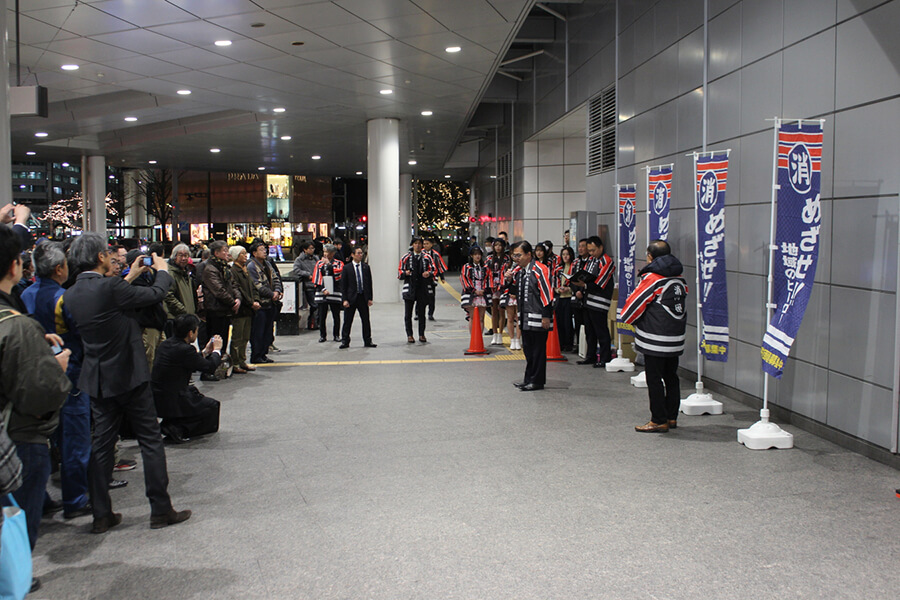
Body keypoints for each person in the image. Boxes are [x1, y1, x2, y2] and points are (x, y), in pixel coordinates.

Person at [64, 232, 191, 533]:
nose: (112, 257)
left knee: (102, 445)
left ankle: (101, 514)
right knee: (150, 441)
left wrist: (129, 276)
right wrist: (161, 269)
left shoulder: (71, 293)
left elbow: (110, 304)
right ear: (99, 258)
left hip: (98, 378)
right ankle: (160, 509)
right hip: (130, 375)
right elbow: (154, 294)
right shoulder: (111, 286)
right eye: (108, 253)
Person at [0, 226, 71, 593]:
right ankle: (14, 579)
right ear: (15, 266)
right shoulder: (18, 327)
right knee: (16, 518)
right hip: (18, 438)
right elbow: (44, 393)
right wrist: (55, 367)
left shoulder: (20, 314)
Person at [19, 242, 92, 520]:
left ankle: (40, 496)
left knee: (37, 441)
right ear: (60, 268)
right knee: (74, 439)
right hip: (70, 374)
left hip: (33, 377)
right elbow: (81, 334)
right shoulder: (64, 298)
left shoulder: (24, 295)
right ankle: (75, 499)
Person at [620, 240, 688, 433]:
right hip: (675, 337)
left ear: (650, 256)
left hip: (654, 338)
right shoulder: (679, 278)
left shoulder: (652, 278)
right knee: (671, 377)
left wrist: (626, 319)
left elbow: (635, 303)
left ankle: (658, 419)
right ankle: (671, 417)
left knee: (654, 378)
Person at [152, 315, 223, 443]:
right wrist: (217, 350)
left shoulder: (166, 344)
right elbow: (209, 367)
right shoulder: (185, 349)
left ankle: (173, 422)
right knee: (212, 406)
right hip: (174, 398)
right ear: (191, 333)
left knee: (194, 393)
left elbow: (190, 360)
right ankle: (180, 428)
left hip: (159, 396)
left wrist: (206, 352)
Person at [509, 241, 553, 391]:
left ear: (529, 254)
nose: (516, 258)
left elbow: (547, 293)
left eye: (519, 255)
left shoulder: (540, 269)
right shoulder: (520, 271)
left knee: (538, 350)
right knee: (528, 349)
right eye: (514, 255)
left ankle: (537, 381)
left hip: (539, 316)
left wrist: (546, 315)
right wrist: (508, 279)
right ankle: (528, 378)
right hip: (525, 317)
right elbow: (514, 292)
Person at [571, 236, 615, 368]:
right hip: (588, 300)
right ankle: (590, 356)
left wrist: (584, 285)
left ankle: (604, 357)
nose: (591, 253)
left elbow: (600, 282)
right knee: (589, 331)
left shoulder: (607, 261)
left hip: (599, 300)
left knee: (601, 330)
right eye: (589, 250)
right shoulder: (591, 260)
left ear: (601, 247)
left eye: (593, 250)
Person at [201, 241, 238, 371]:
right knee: (215, 340)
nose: (227, 253)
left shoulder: (225, 267)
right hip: (215, 310)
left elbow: (233, 285)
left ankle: (220, 366)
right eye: (224, 250)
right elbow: (218, 290)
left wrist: (238, 298)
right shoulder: (210, 269)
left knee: (223, 340)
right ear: (216, 253)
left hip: (225, 309)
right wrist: (233, 302)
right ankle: (211, 368)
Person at [248, 240, 283, 362]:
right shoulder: (252, 266)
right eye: (261, 250)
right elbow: (257, 285)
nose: (265, 252)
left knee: (268, 330)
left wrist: (277, 291)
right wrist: (271, 293)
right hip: (260, 304)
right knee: (258, 331)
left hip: (271, 303)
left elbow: (276, 278)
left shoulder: (267, 264)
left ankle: (263, 353)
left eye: (265, 250)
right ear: (254, 252)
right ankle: (256, 355)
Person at [398, 236, 436, 343]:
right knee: (408, 314)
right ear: (412, 245)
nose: (418, 245)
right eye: (415, 243)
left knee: (421, 313)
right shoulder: (406, 257)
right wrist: (405, 273)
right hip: (410, 287)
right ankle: (409, 335)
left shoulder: (427, 257)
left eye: (420, 243)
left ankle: (421, 334)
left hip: (422, 288)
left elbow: (434, 269)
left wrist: (429, 273)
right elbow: (399, 272)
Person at [229, 245, 260, 373]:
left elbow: (252, 287)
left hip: (249, 309)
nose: (245, 255)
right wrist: (251, 302)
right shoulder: (233, 271)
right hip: (241, 309)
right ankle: (235, 363)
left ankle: (242, 361)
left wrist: (256, 299)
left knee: (245, 337)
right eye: (242, 253)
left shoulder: (245, 269)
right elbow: (238, 289)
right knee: (237, 337)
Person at [339, 246, 376, 349]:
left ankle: (368, 340)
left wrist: (370, 298)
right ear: (352, 255)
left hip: (362, 297)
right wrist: (345, 299)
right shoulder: (347, 268)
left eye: (361, 253)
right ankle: (345, 341)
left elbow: (369, 283)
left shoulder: (365, 267)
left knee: (365, 320)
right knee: (347, 321)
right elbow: (343, 285)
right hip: (351, 298)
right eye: (358, 253)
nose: (360, 255)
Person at [164, 243, 198, 338]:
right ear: (174, 257)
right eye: (180, 255)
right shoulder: (170, 273)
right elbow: (168, 295)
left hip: (185, 318)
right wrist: (183, 310)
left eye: (186, 255)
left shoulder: (185, 273)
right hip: (174, 318)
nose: (183, 258)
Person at [312, 243, 343, 343]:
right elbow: (317, 278)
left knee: (336, 315)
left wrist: (329, 265)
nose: (325, 254)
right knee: (321, 316)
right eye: (324, 252)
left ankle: (336, 335)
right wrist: (323, 289)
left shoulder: (338, 263)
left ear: (333, 253)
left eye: (328, 252)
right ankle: (322, 335)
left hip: (335, 292)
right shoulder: (319, 263)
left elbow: (338, 275)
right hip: (322, 293)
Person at [460, 246, 491, 335]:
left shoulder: (485, 267)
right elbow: (464, 279)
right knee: (472, 317)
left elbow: (489, 279)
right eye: (475, 254)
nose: (477, 256)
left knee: (481, 318)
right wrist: (474, 290)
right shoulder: (467, 267)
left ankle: (479, 339)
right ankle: (473, 339)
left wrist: (484, 290)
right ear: (471, 256)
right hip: (471, 294)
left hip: (482, 293)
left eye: (479, 254)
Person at [486, 238, 510, 346]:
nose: (498, 247)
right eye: (496, 245)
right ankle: (494, 333)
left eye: (500, 245)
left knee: (501, 311)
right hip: (492, 287)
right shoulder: (489, 258)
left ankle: (500, 334)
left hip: (503, 286)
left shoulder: (507, 259)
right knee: (493, 311)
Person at [291, 241, 318, 330]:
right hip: (308, 284)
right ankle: (312, 322)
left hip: (317, 284)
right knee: (314, 304)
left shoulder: (315, 258)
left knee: (318, 304)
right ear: (305, 250)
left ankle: (315, 322)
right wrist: (307, 274)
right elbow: (296, 269)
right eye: (310, 248)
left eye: (313, 248)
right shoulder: (299, 259)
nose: (312, 250)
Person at [555, 246, 577, 352]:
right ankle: (561, 343)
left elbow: (577, 283)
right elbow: (553, 283)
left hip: (570, 297)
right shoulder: (558, 269)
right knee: (559, 321)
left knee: (568, 322)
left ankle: (569, 343)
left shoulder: (574, 267)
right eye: (563, 254)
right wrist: (557, 290)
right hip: (560, 297)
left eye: (567, 254)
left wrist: (569, 288)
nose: (565, 256)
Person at [423, 237, 447, 321]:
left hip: (432, 278)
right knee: (420, 297)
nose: (425, 245)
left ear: (431, 244)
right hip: (421, 279)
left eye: (427, 244)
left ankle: (430, 314)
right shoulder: (421, 253)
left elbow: (439, 266)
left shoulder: (435, 254)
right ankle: (418, 313)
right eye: (424, 244)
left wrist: (442, 277)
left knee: (431, 297)